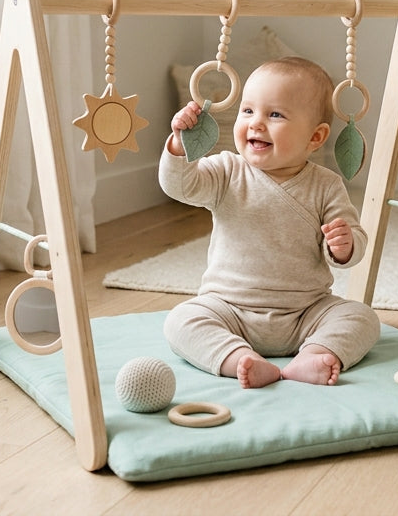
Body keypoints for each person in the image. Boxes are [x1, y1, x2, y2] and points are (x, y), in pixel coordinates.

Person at [160, 56, 380, 388]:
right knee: (181, 321)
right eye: (247, 111)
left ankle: (312, 356)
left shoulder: (326, 184)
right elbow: (180, 186)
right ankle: (240, 359)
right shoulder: (226, 170)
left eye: (275, 114)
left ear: (316, 137)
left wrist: (346, 245)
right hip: (230, 309)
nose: (256, 123)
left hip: (305, 312)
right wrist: (178, 145)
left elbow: (353, 241)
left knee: (362, 318)